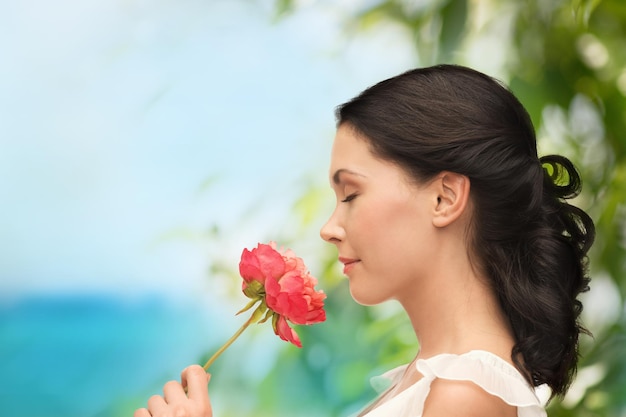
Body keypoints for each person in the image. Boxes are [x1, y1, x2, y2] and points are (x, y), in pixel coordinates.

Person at [134, 64, 595, 417]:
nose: (330, 228)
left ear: (444, 197)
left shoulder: (466, 392)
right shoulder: (438, 378)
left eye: (351, 194)